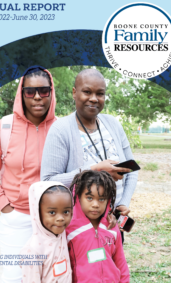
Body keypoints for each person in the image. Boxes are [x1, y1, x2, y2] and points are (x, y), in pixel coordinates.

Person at [41, 68, 138, 243]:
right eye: (87, 92)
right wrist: (95, 170)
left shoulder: (113, 124)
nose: (94, 98)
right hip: (79, 227)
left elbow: (131, 169)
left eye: (100, 93)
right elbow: (48, 181)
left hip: (111, 223)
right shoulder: (61, 130)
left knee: (113, 269)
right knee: (85, 269)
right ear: (74, 92)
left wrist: (122, 203)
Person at [0, 66, 57, 283]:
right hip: (17, 220)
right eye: (30, 91)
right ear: (21, 94)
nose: (38, 97)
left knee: (51, 278)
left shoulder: (62, 129)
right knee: (14, 278)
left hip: (54, 220)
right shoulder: (4, 127)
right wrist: (6, 208)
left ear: (52, 92)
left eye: (44, 90)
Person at [67, 170, 129, 283]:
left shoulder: (111, 227)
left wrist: (124, 281)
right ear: (78, 197)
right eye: (89, 198)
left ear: (108, 200)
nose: (95, 204)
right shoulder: (69, 230)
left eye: (101, 199)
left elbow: (120, 260)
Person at [20, 182, 73, 283]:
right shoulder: (32, 251)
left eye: (66, 212)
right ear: (38, 212)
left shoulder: (61, 234)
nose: (60, 218)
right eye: (52, 212)